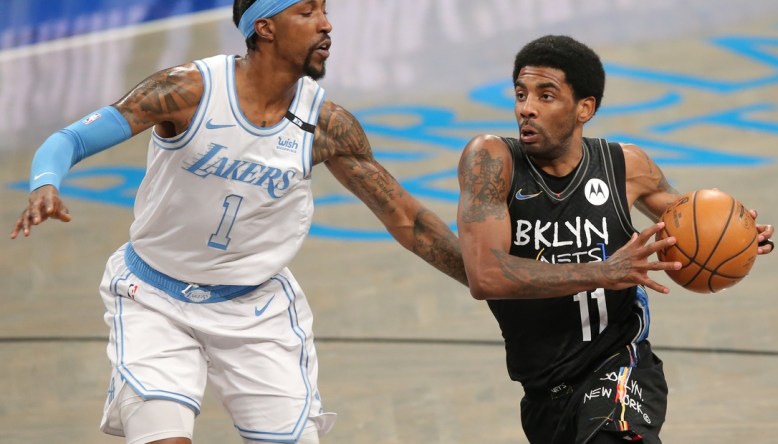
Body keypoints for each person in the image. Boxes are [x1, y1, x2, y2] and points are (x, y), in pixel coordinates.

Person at [10, 1, 467, 443]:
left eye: (325, 10)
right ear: (264, 27)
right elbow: (69, 138)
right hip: (153, 296)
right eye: (307, 12)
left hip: (256, 310)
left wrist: (481, 279)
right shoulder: (189, 90)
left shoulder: (326, 125)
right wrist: (45, 184)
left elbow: (408, 221)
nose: (326, 24)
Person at [456, 35, 775, 444]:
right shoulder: (493, 160)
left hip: (620, 367)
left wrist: (740, 235)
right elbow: (485, 275)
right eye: (521, 94)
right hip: (544, 393)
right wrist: (604, 271)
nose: (526, 108)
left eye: (546, 95)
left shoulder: (625, 166)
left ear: (584, 108)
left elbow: (690, 221)